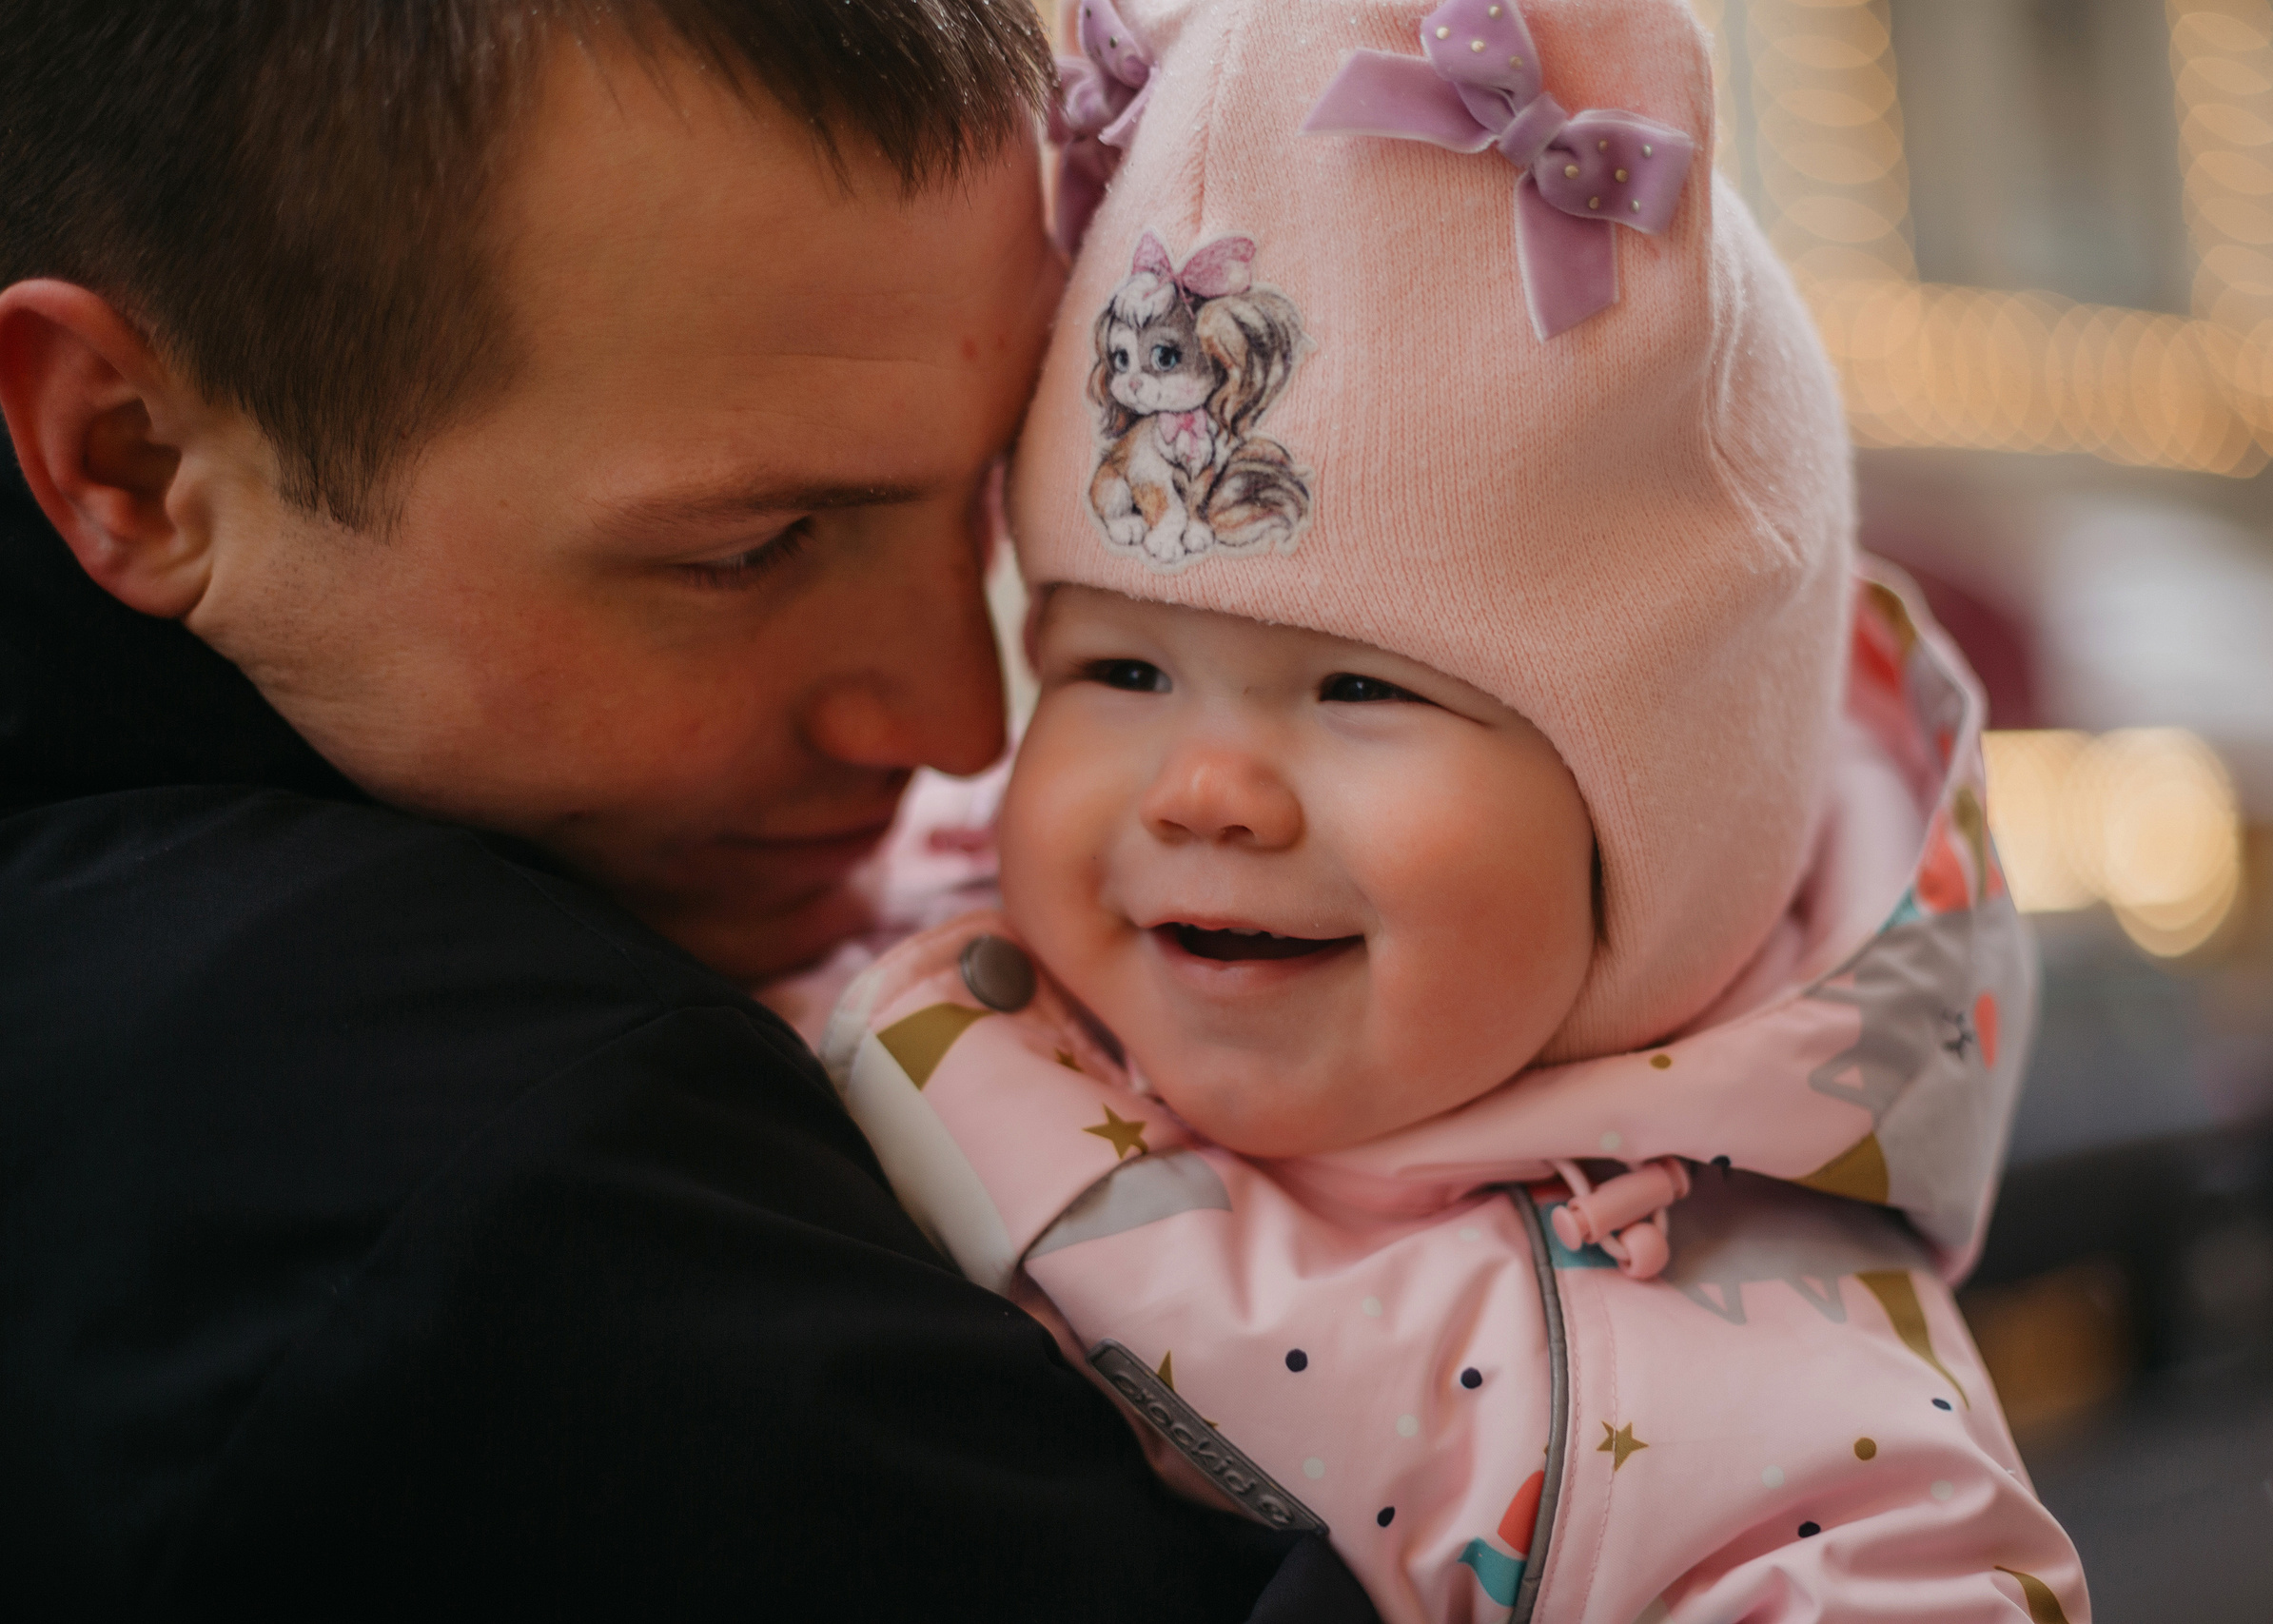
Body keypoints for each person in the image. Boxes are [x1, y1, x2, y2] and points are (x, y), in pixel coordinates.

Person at [0, 2, 1379, 1615]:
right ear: (132, 453)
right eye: (747, 550)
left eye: (1003, 494)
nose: (955, 720)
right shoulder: (504, 1176)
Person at [803, 0, 2090, 1617]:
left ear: (1664, 828)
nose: (1206, 790)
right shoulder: (876, 962)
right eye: (1120, 669)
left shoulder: (1788, 1435)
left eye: (1363, 691)